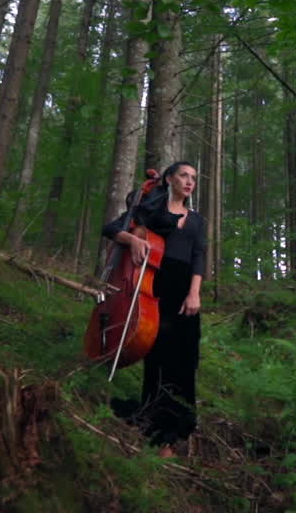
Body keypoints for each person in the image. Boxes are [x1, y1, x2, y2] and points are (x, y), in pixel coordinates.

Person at [102, 161, 207, 457]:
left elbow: (199, 257)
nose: (189, 182)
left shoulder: (198, 220)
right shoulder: (151, 212)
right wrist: (132, 238)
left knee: (186, 357)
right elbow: (110, 228)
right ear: (170, 180)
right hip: (156, 287)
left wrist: (194, 293)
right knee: (159, 354)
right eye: (184, 176)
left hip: (186, 291)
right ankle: (157, 425)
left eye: (193, 178)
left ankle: (181, 425)